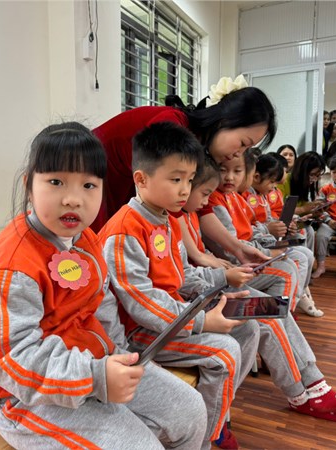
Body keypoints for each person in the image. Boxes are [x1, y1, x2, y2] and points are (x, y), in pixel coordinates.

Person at [0, 122, 209, 449]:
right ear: (29, 186)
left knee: (190, 410)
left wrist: (119, 358)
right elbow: (11, 359)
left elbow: (102, 307)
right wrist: (95, 377)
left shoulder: (85, 240)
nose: (73, 199)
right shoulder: (11, 268)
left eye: (89, 185)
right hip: (22, 397)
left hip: (93, 365)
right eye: (56, 182)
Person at [177, 148, 336, 425]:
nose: (199, 197)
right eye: (183, 183)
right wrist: (224, 273)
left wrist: (224, 266)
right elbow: (186, 276)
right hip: (201, 299)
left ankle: (314, 385)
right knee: (271, 312)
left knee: (275, 307)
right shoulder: (172, 216)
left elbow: (204, 259)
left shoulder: (183, 213)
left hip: (211, 288)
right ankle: (303, 393)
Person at [98, 122, 261, 450]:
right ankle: (205, 438)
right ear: (141, 179)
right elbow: (142, 302)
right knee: (225, 352)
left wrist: (220, 291)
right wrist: (202, 321)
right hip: (138, 333)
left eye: (189, 180)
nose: (185, 190)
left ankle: (214, 419)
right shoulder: (125, 230)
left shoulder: (167, 220)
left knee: (248, 327)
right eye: (176, 180)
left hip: (171, 319)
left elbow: (182, 275)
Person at [91, 75, 276, 268]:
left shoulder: (202, 147)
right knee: (100, 258)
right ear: (224, 121)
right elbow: (171, 202)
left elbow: (201, 209)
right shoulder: (174, 127)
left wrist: (237, 248)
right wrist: (197, 255)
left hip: (121, 184)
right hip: (97, 174)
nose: (239, 153)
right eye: (243, 143)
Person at [211, 150, 321, 318]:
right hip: (237, 263)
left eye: (237, 171)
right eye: (223, 170)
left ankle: (289, 308)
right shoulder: (220, 199)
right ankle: (285, 313)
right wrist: (269, 250)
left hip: (250, 251)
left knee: (299, 256)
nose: (230, 178)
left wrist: (275, 241)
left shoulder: (237, 197)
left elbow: (252, 229)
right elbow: (232, 246)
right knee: (289, 268)